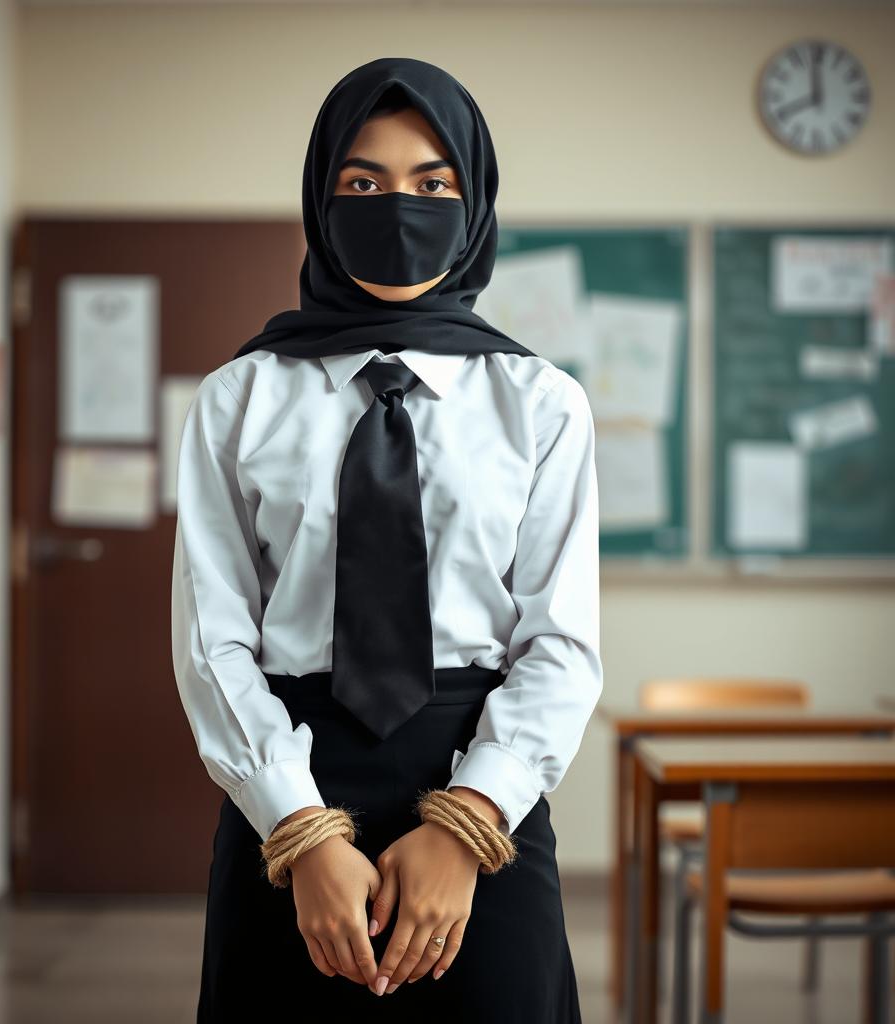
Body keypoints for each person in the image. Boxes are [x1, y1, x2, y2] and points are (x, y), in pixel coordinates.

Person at [170, 56, 603, 1022]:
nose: (396, 206)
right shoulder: (238, 399)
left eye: (432, 184)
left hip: (481, 786)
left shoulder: (540, 404)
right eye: (362, 183)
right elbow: (213, 640)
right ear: (321, 199)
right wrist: (302, 830)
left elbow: (561, 644)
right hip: (286, 785)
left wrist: (469, 824)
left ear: (476, 201)